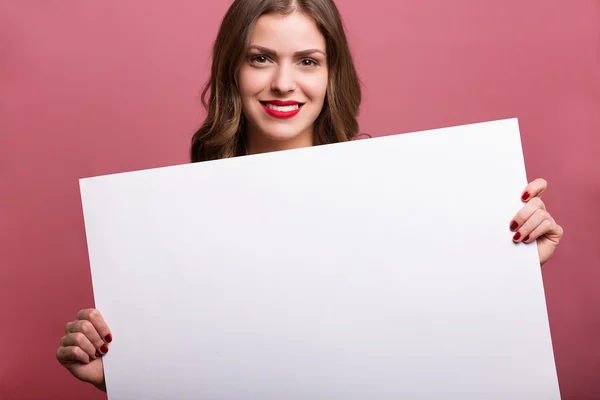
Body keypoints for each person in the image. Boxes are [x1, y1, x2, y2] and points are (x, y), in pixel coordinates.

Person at [55, 0, 564, 393]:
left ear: (329, 74)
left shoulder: (398, 196)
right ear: (232, 70)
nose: (283, 83)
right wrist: (121, 376)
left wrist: (512, 267)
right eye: (261, 59)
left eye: (307, 60)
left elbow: (422, 340)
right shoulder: (173, 221)